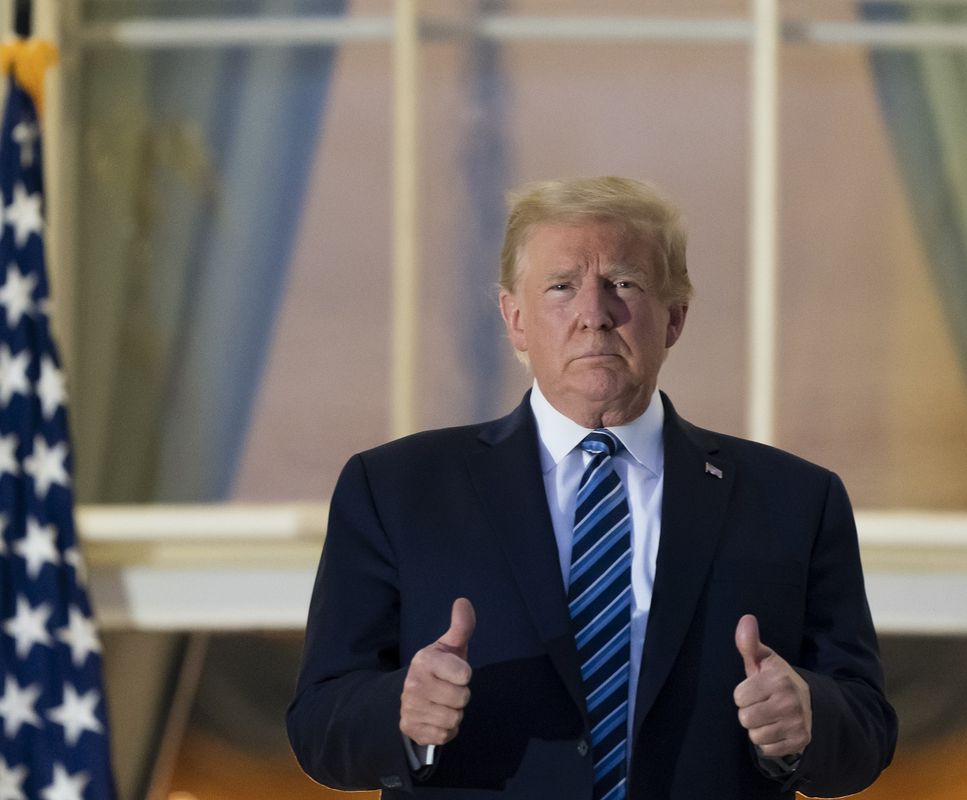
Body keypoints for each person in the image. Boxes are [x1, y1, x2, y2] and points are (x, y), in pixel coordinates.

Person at [286, 176, 897, 799]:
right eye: (561, 286)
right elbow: (318, 723)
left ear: (675, 318)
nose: (593, 315)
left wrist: (809, 716)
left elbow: (867, 730)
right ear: (514, 318)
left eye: (623, 284)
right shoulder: (396, 490)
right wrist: (401, 713)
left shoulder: (794, 500)